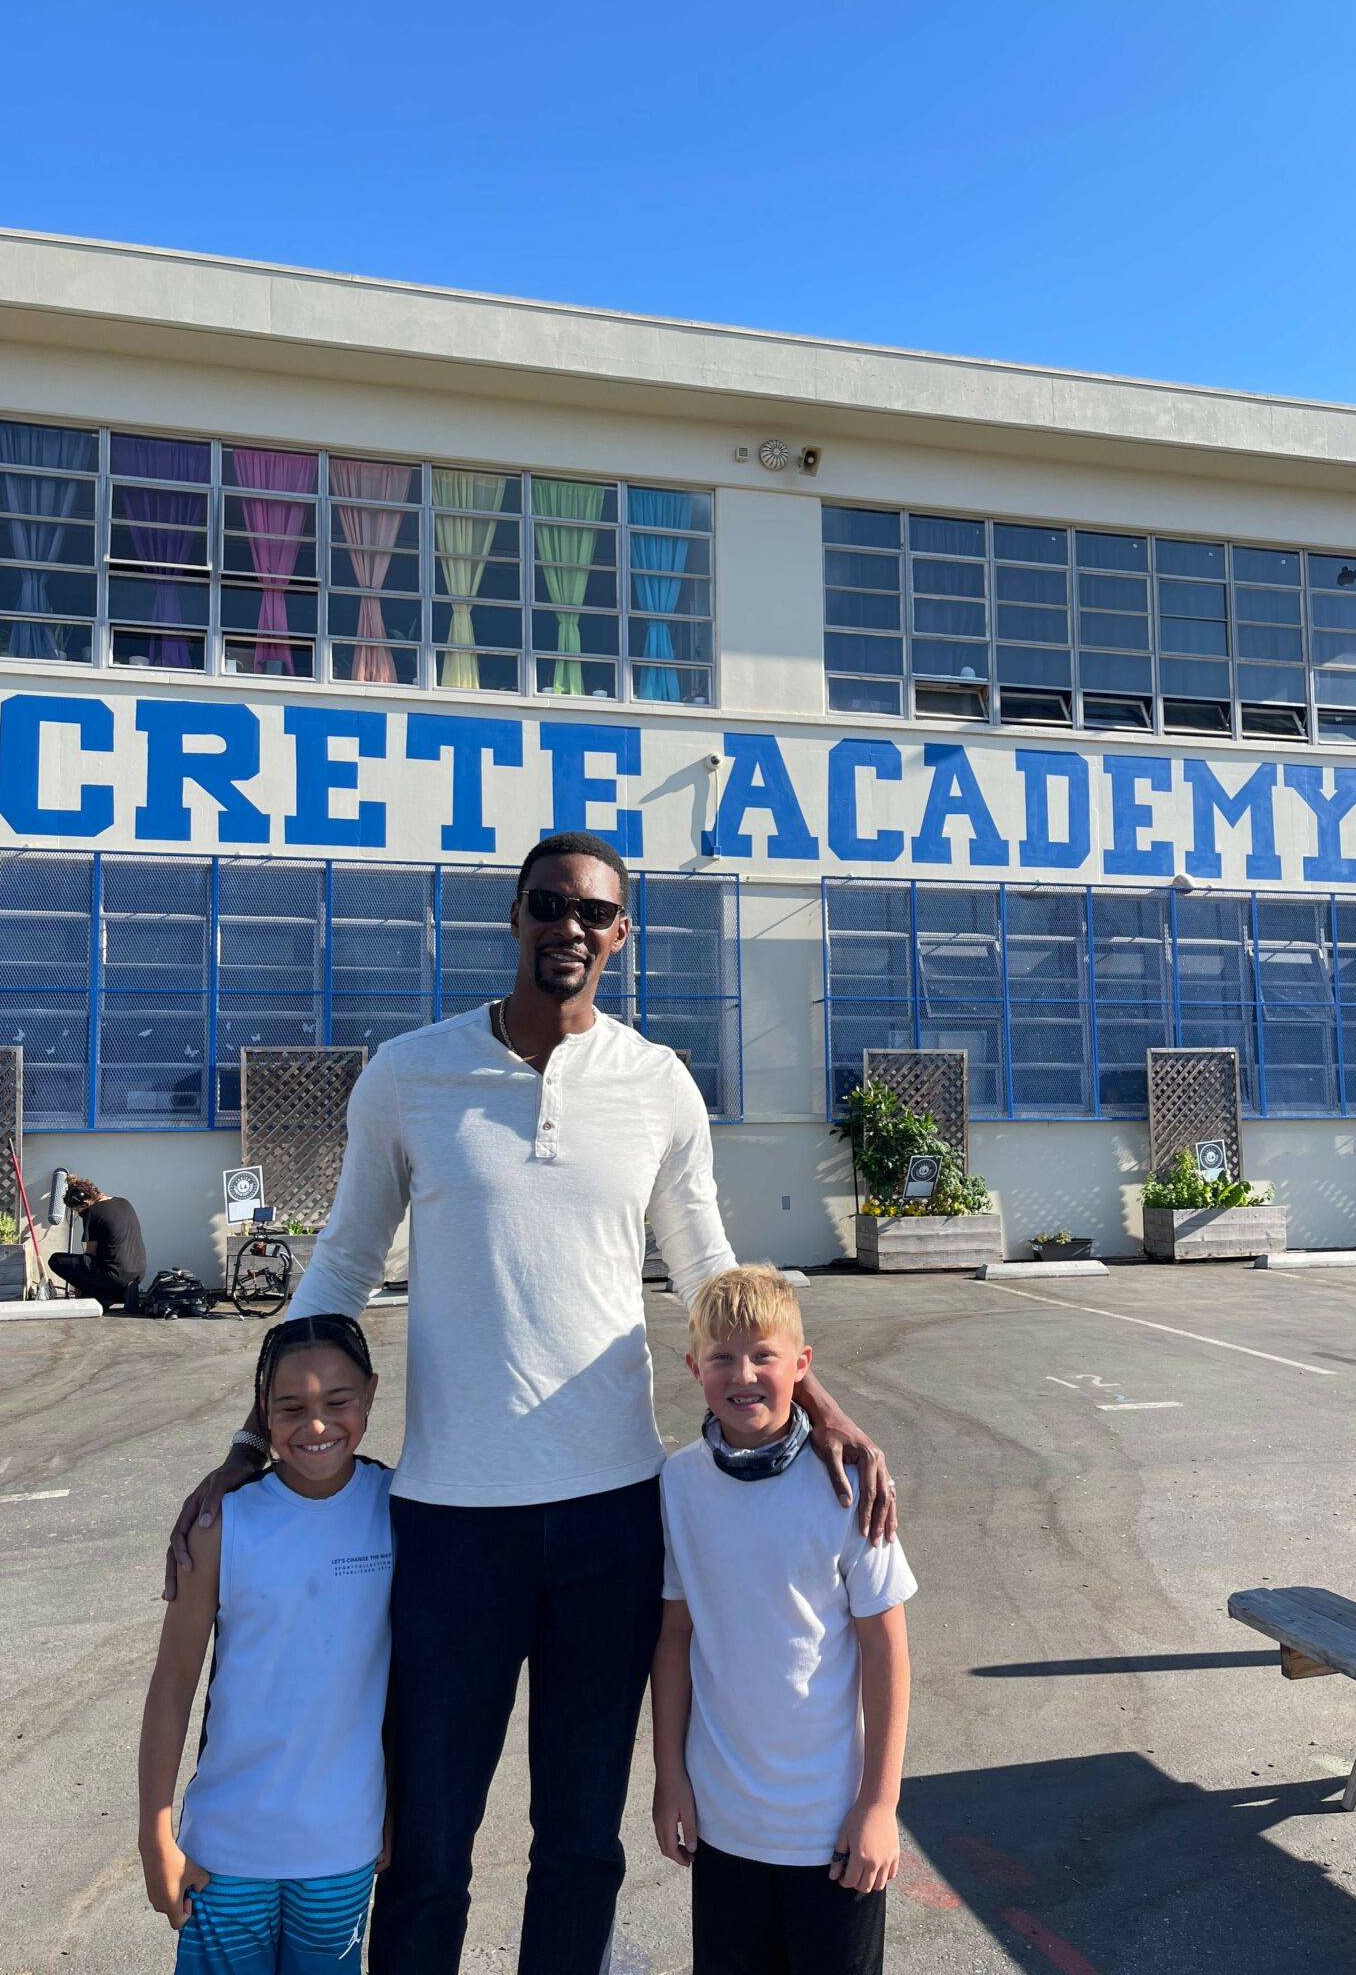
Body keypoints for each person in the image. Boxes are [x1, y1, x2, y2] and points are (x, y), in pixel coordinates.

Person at [164, 829, 895, 1975]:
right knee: (431, 1846)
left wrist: (822, 1401)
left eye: (594, 912)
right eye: (547, 904)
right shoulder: (410, 1074)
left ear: (622, 934)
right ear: (513, 916)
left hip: (611, 1519)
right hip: (452, 1523)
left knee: (578, 1846)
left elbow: (711, 1272)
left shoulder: (656, 1082)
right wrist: (257, 1433)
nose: (570, 927)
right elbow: (342, 1265)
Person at [651, 1264, 915, 1975]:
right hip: (724, 1827)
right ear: (693, 1369)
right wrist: (668, 1776)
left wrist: (879, 1806)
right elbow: (675, 1638)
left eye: (764, 1355)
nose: (744, 1374)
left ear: (801, 1366)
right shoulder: (679, 1483)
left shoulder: (851, 1486)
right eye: (722, 1358)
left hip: (831, 1834)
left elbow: (886, 1648)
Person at [138, 1314, 393, 1974]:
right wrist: (154, 1836)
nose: (316, 1426)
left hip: (342, 1848)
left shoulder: (399, 1508)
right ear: (263, 1411)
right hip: (226, 1851)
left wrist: (401, 1809)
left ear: (369, 1393)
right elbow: (172, 1688)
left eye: (338, 1402)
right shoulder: (221, 1523)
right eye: (291, 1407)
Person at [48, 1174, 146, 1307]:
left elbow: (90, 1253)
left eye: (78, 1211)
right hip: (138, 1273)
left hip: (114, 1275)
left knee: (56, 1260)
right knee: (102, 1264)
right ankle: (120, 1294)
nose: (79, 1215)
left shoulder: (92, 1212)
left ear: (85, 1203)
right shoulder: (124, 1202)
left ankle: (102, 1296)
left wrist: (79, 1285)